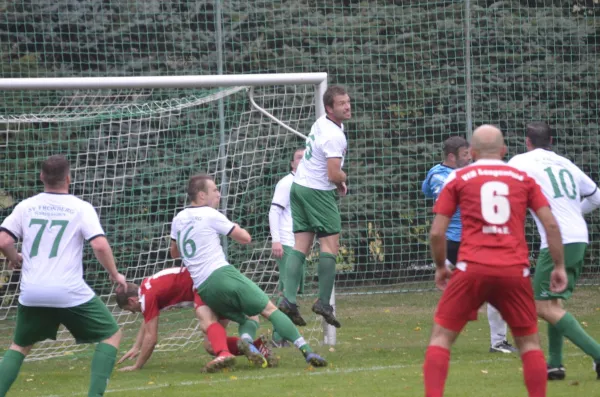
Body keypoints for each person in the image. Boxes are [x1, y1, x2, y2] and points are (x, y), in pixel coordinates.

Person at [423, 125, 567, 397]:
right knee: (529, 345)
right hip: (514, 270)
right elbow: (551, 225)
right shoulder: (522, 179)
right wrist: (559, 266)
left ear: (473, 152)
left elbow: (436, 232)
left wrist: (442, 267)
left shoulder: (459, 178)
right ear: (503, 150)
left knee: (441, 338)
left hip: (471, 268)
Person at [0, 154, 127, 397]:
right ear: (68, 178)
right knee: (112, 334)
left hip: (33, 291)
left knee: (19, 346)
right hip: (68, 290)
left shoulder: (26, 206)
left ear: (41, 177)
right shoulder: (81, 208)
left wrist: (14, 257)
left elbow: (3, 240)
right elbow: (99, 245)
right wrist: (114, 274)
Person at [169, 174, 327, 367]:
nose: (219, 194)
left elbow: (175, 253)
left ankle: (248, 343)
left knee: (250, 317)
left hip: (204, 289)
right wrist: (234, 226)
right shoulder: (211, 215)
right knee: (270, 310)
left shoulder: (179, 219)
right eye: (215, 190)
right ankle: (307, 351)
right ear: (202, 196)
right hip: (222, 275)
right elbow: (245, 238)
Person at [508, 122, 600, 380]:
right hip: (579, 236)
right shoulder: (566, 163)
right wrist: (573, 212)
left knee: (541, 306)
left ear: (528, 142)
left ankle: (598, 354)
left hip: (558, 238)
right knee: (554, 302)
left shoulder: (521, 161)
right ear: (551, 140)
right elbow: (596, 197)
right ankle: (556, 365)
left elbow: (503, 184)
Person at [422, 136, 516, 354]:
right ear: (453, 156)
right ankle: (498, 342)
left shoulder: (436, 172)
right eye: (465, 154)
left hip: (452, 241)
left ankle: (440, 341)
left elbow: (426, 191)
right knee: (494, 286)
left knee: (456, 292)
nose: (469, 157)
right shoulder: (455, 177)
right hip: (462, 240)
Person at [278, 85, 350, 328]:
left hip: (298, 187)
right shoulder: (334, 135)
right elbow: (332, 173)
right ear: (329, 108)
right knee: (330, 244)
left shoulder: (322, 122)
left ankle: (289, 299)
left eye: (347, 102)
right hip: (317, 192)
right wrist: (343, 178)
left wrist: (336, 179)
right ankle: (323, 303)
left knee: (302, 244)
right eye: (341, 104)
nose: (347, 106)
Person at [115, 267, 276, 373]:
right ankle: (255, 348)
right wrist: (136, 346)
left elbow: (152, 338)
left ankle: (226, 353)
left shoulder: (148, 297)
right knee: (210, 345)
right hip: (213, 282)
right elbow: (148, 320)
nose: (133, 314)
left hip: (204, 287)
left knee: (209, 330)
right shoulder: (147, 287)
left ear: (132, 301)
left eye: (130, 311)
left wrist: (137, 366)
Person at [269, 148, 305, 346]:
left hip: (299, 245)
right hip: (287, 243)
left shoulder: (307, 184)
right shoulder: (286, 183)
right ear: (292, 164)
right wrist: (276, 240)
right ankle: (277, 337)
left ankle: (282, 336)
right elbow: (274, 212)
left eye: (305, 157)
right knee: (287, 292)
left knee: (292, 290)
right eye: (298, 157)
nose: (302, 160)